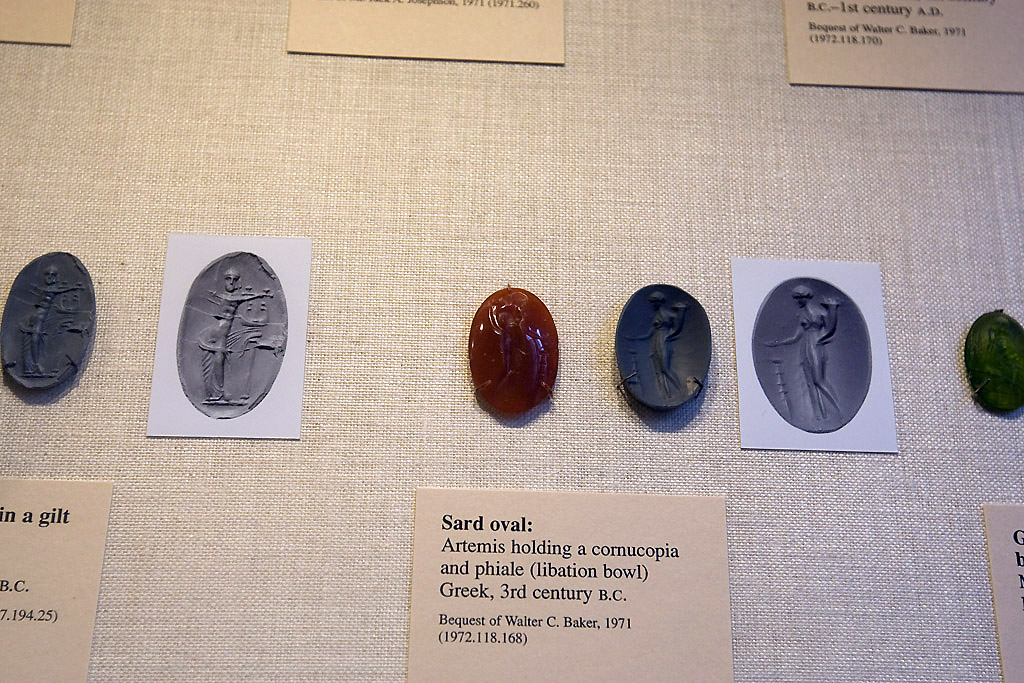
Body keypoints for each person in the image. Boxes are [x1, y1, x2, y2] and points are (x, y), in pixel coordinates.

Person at [197, 267, 273, 405]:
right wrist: (261, 294)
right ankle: (216, 394)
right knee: (217, 362)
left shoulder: (229, 298)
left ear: (238, 282)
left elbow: (241, 314)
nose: (231, 283)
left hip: (222, 335)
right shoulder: (228, 297)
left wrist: (256, 321)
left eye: (234, 280)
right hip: (216, 334)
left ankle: (218, 394)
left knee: (219, 362)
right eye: (228, 279)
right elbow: (243, 297)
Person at [765, 285, 841, 420]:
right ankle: (819, 416)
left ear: (806, 298)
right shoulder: (802, 315)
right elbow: (796, 337)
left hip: (815, 346)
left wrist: (832, 310)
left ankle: (838, 410)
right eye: (796, 298)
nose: (797, 301)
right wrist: (778, 343)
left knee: (819, 381)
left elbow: (830, 328)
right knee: (810, 383)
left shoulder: (819, 312)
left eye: (799, 298)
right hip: (805, 347)